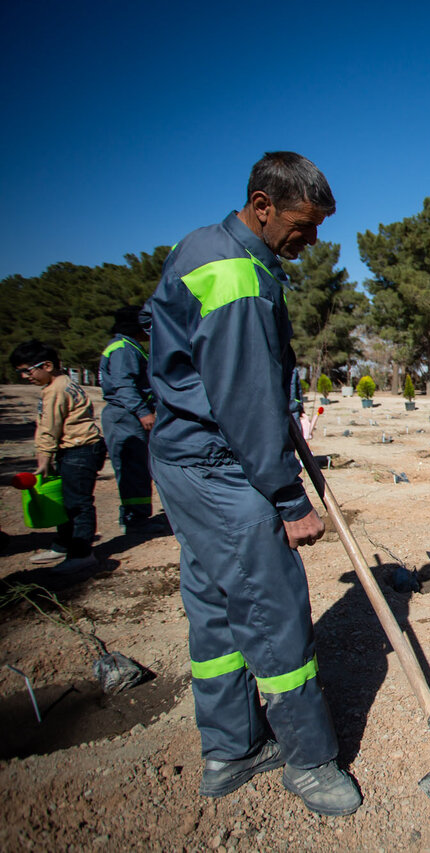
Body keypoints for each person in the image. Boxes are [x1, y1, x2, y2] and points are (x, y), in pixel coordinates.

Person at [143, 152, 359, 816]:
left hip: (184, 457)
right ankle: (309, 759)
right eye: (304, 224)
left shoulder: (205, 251)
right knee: (271, 606)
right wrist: (288, 495)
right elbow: (243, 397)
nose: (313, 240)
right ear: (263, 205)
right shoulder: (237, 275)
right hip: (221, 464)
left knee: (215, 600)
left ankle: (231, 749)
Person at [10, 340, 107, 573]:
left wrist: (43, 460)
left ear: (47, 366)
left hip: (79, 449)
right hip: (76, 449)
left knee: (77, 504)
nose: (25, 376)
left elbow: (48, 428)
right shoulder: (63, 384)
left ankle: (82, 553)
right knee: (66, 500)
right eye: (21, 372)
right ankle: (63, 544)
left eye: (27, 370)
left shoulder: (56, 390)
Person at [98, 306, 162, 533]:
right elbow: (124, 385)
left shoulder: (129, 347)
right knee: (131, 466)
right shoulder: (123, 349)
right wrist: (143, 412)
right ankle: (136, 519)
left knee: (138, 465)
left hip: (127, 413)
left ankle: (139, 515)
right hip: (125, 415)